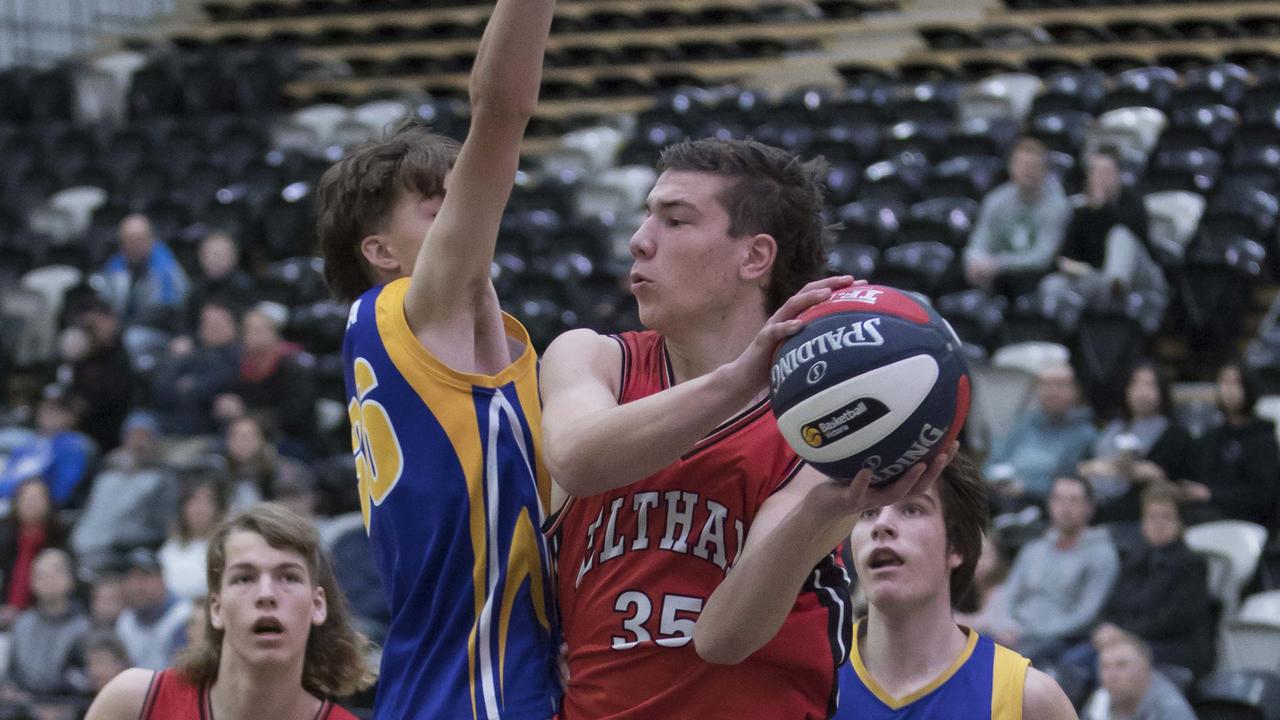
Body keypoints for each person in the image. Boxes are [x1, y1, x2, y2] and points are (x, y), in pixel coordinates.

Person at [540, 137, 954, 719]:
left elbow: (724, 640)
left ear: (755, 257)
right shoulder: (593, 358)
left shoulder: (823, 420)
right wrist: (737, 379)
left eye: (675, 220)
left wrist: (821, 512)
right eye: (647, 215)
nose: (640, 239)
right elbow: (579, 462)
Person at [315, 1, 560, 717]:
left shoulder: (503, 345)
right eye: (437, 205)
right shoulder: (398, 312)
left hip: (499, 677)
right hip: (466, 692)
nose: (466, 209)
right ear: (382, 253)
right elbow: (502, 112)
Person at [835, 456, 1076, 718]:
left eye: (912, 509)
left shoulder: (1027, 697)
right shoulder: (815, 676)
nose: (881, 525)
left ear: (956, 545)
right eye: (869, 512)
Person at [85, 504, 373, 719]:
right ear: (216, 608)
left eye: (288, 577)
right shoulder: (132, 703)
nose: (266, 594)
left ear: (317, 605)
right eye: (244, 578)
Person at [1060, 485, 1214, 681]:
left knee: (1093, 665)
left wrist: (1126, 635)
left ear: (1180, 522)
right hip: (1128, 638)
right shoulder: (1135, 558)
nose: (1158, 524)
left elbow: (1174, 620)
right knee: (1072, 658)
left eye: (1166, 517)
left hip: (1171, 646)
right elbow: (1115, 604)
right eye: (1151, 517)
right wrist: (1110, 629)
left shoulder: (1192, 564)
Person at [1004, 476, 1120, 666]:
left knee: (1012, 662)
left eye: (1074, 500)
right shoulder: (1033, 548)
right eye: (1059, 499)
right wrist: (1006, 624)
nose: (1065, 508)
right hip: (1016, 630)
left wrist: (1030, 631)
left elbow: (1086, 614)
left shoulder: (1102, 554)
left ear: (1090, 507)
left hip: (1061, 639)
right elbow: (1009, 593)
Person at [1042, 146, 1163, 310]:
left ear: (1119, 176)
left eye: (1106, 172)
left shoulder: (1133, 201)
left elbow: (1135, 230)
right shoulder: (1080, 209)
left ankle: (1114, 297)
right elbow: (1067, 254)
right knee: (1053, 284)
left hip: (1139, 275)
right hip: (1098, 277)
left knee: (1119, 235)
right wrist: (1070, 266)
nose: (1100, 178)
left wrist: (1102, 208)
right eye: (1095, 172)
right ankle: (1061, 332)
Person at [1078, 360, 1193, 523]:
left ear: (1162, 391)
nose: (1142, 392)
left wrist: (1108, 469)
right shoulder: (1113, 427)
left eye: (1150, 385)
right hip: (1096, 504)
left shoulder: (1175, 435)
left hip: (1138, 512)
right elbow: (1086, 467)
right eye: (1135, 384)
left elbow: (1160, 475)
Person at [963, 137, 1071, 298]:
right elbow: (979, 241)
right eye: (1022, 165)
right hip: (995, 268)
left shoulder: (1057, 205)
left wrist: (998, 264)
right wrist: (975, 262)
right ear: (1011, 167)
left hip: (1035, 273)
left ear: (1045, 170)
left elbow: (1043, 256)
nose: (1027, 171)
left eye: (1034, 166)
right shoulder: (995, 200)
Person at [983, 363, 1097, 508]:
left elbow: (1071, 480)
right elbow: (992, 463)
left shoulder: (1084, 434)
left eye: (1059, 384)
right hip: (999, 497)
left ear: (1075, 391)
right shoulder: (1023, 424)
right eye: (1045, 384)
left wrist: (1025, 488)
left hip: (1046, 506)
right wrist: (995, 480)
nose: (1052, 391)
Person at [1183, 360, 1280, 529]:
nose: (1228, 389)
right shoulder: (1210, 438)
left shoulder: (1263, 440)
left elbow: (1263, 496)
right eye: (1224, 382)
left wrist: (1212, 495)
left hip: (1247, 523)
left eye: (1236, 383)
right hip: (1205, 514)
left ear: (1250, 387)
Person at [213, 304, 318, 455]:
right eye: (248, 330)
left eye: (258, 330)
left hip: (290, 438)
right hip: (247, 436)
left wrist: (246, 413)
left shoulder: (293, 365)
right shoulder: (241, 365)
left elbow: (295, 414)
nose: (252, 335)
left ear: (274, 332)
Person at [5, 548, 92, 698]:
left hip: (68, 705)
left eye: (55, 572)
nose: (47, 579)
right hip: (23, 706)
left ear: (70, 578)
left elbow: (84, 678)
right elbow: (12, 673)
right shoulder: (22, 624)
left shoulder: (84, 628)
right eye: (40, 574)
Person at [150, 299, 242, 437]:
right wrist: (176, 359)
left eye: (217, 324)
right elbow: (161, 388)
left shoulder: (239, 355)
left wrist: (193, 385)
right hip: (174, 424)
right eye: (206, 323)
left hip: (214, 427)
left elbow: (224, 382)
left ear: (232, 326)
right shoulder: (187, 352)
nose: (211, 329)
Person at [93, 213, 189, 331]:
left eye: (138, 240)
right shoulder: (115, 265)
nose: (133, 245)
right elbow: (104, 303)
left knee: (134, 338)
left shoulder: (165, 266)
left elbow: (170, 309)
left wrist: (127, 325)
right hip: (121, 326)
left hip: (158, 328)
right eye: (128, 240)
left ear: (151, 239)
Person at [0, 390, 96, 505]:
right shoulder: (29, 442)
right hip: (8, 499)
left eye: (54, 410)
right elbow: (9, 474)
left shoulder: (73, 447)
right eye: (44, 409)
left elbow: (61, 493)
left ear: (70, 416)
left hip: (34, 506)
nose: (46, 414)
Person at [0, 478, 70, 627]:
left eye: (36, 498)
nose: (31, 503)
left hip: (44, 618)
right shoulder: (4, 533)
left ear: (48, 502)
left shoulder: (59, 536)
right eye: (26, 498)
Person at [1082, 631, 1196, 720]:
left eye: (1122, 665)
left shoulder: (1170, 709)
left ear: (1145, 669)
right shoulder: (1100, 700)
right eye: (1105, 666)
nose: (1112, 675)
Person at [114, 547, 191, 671]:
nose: (136, 586)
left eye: (144, 577)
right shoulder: (125, 621)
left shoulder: (183, 617)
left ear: (162, 579)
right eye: (130, 578)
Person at [159, 473, 230, 600]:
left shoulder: (226, 547)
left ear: (218, 508)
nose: (199, 509)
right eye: (193, 501)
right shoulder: (170, 548)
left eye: (207, 501)